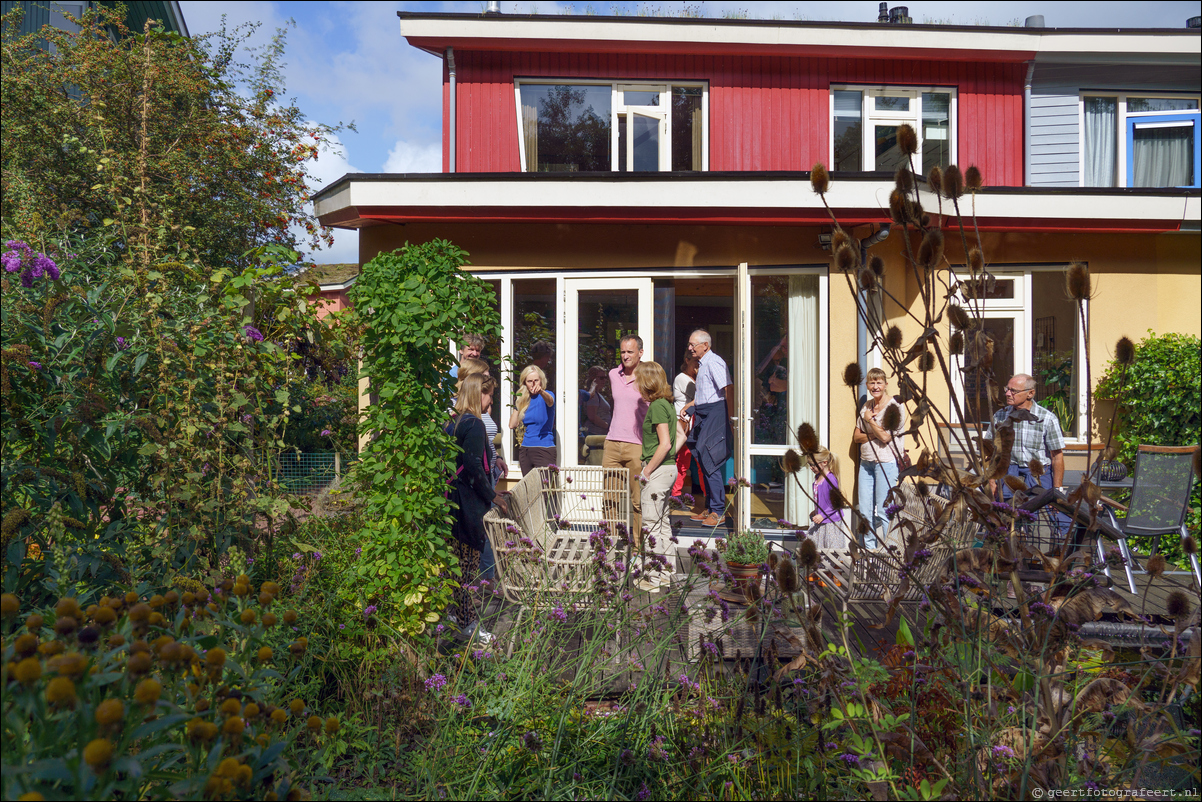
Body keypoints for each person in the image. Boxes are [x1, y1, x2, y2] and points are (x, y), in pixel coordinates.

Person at [445, 373, 500, 644]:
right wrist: (493, 496)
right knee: (467, 570)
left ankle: (454, 617)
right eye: (490, 395)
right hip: (469, 506)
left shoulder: (452, 422)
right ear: (480, 394)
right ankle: (468, 625)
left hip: (450, 502)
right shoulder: (475, 425)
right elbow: (475, 466)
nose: (491, 402)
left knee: (454, 567)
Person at [987, 372, 1067, 533]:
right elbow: (990, 451)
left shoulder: (1047, 418)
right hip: (1009, 474)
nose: (1007, 394)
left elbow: (1057, 457)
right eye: (1007, 389)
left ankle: (1038, 554)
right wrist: (991, 481)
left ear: (1030, 393)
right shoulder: (1000, 416)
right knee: (1006, 520)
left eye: (1013, 391)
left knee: (1039, 522)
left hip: (1038, 476)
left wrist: (1057, 490)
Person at [634, 361, 679, 590]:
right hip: (669, 469)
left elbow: (665, 444)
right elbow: (679, 436)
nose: (637, 386)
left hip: (658, 471)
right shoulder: (667, 404)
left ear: (648, 383)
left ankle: (652, 580)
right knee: (663, 525)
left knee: (651, 525)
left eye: (639, 382)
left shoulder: (658, 407)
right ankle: (666, 575)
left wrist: (647, 471)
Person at [852, 368, 907, 548]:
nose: (875, 387)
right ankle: (869, 550)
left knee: (885, 510)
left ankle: (890, 552)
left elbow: (886, 438)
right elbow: (856, 437)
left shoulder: (895, 407)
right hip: (866, 462)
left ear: (885, 385)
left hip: (886, 463)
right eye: (872, 383)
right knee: (866, 511)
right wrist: (876, 432)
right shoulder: (866, 407)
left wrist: (870, 422)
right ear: (867, 385)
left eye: (879, 383)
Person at [685, 329, 734, 528]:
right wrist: (691, 407)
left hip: (716, 413)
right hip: (704, 412)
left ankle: (718, 511)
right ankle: (710, 506)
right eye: (689, 345)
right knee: (699, 455)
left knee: (710, 460)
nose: (689, 348)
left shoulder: (714, 362)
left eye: (693, 345)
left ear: (705, 345)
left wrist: (730, 418)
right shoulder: (703, 364)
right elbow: (707, 393)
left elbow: (728, 389)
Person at [602, 335, 649, 538]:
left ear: (640, 352)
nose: (625, 356)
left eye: (630, 352)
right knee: (610, 499)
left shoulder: (648, 377)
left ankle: (639, 547)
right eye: (622, 352)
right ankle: (610, 545)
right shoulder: (613, 374)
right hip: (612, 443)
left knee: (638, 501)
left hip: (637, 445)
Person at [509, 365, 556, 476]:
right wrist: (518, 403)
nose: (533, 384)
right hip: (525, 449)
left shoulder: (547, 395)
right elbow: (512, 424)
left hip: (544, 448)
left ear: (541, 381)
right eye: (529, 381)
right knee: (530, 490)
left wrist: (541, 392)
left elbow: (550, 401)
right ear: (525, 383)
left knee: (546, 489)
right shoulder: (524, 399)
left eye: (536, 380)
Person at [671, 356, 705, 503]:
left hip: (693, 425)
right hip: (684, 425)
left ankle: (706, 496)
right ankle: (675, 496)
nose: (698, 366)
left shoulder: (692, 378)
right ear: (686, 360)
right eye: (696, 362)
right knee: (682, 462)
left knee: (698, 462)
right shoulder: (682, 378)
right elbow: (702, 396)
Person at [807, 447, 848, 551]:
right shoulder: (817, 478)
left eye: (813, 464)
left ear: (824, 462)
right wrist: (816, 511)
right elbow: (823, 500)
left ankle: (835, 567)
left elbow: (836, 503)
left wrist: (822, 514)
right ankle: (819, 566)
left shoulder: (830, 480)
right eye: (809, 465)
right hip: (822, 519)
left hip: (830, 521)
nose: (811, 467)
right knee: (816, 546)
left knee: (831, 549)